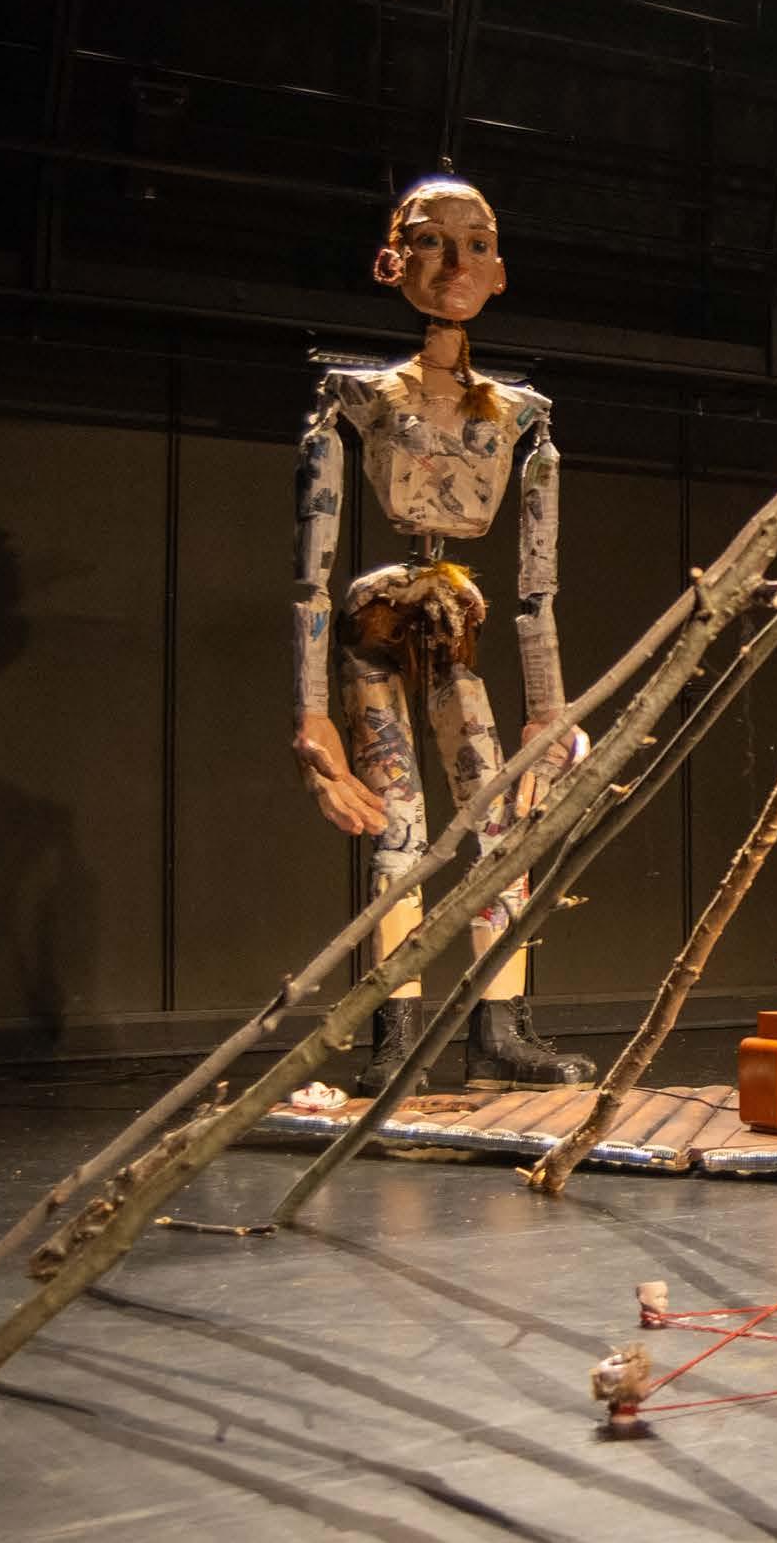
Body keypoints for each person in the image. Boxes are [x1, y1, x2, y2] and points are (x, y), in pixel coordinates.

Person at [290, 175, 595, 1093]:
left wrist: (550, 712)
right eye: (430, 241)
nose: (455, 262)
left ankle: (498, 1028)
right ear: (392, 262)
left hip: (454, 624)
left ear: (500, 272)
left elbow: (537, 586)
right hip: (379, 624)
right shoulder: (358, 398)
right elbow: (310, 575)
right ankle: (398, 1033)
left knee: (502, 822)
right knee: (400, 826)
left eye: (477, 245)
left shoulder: (523, 416)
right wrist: (311, 717)